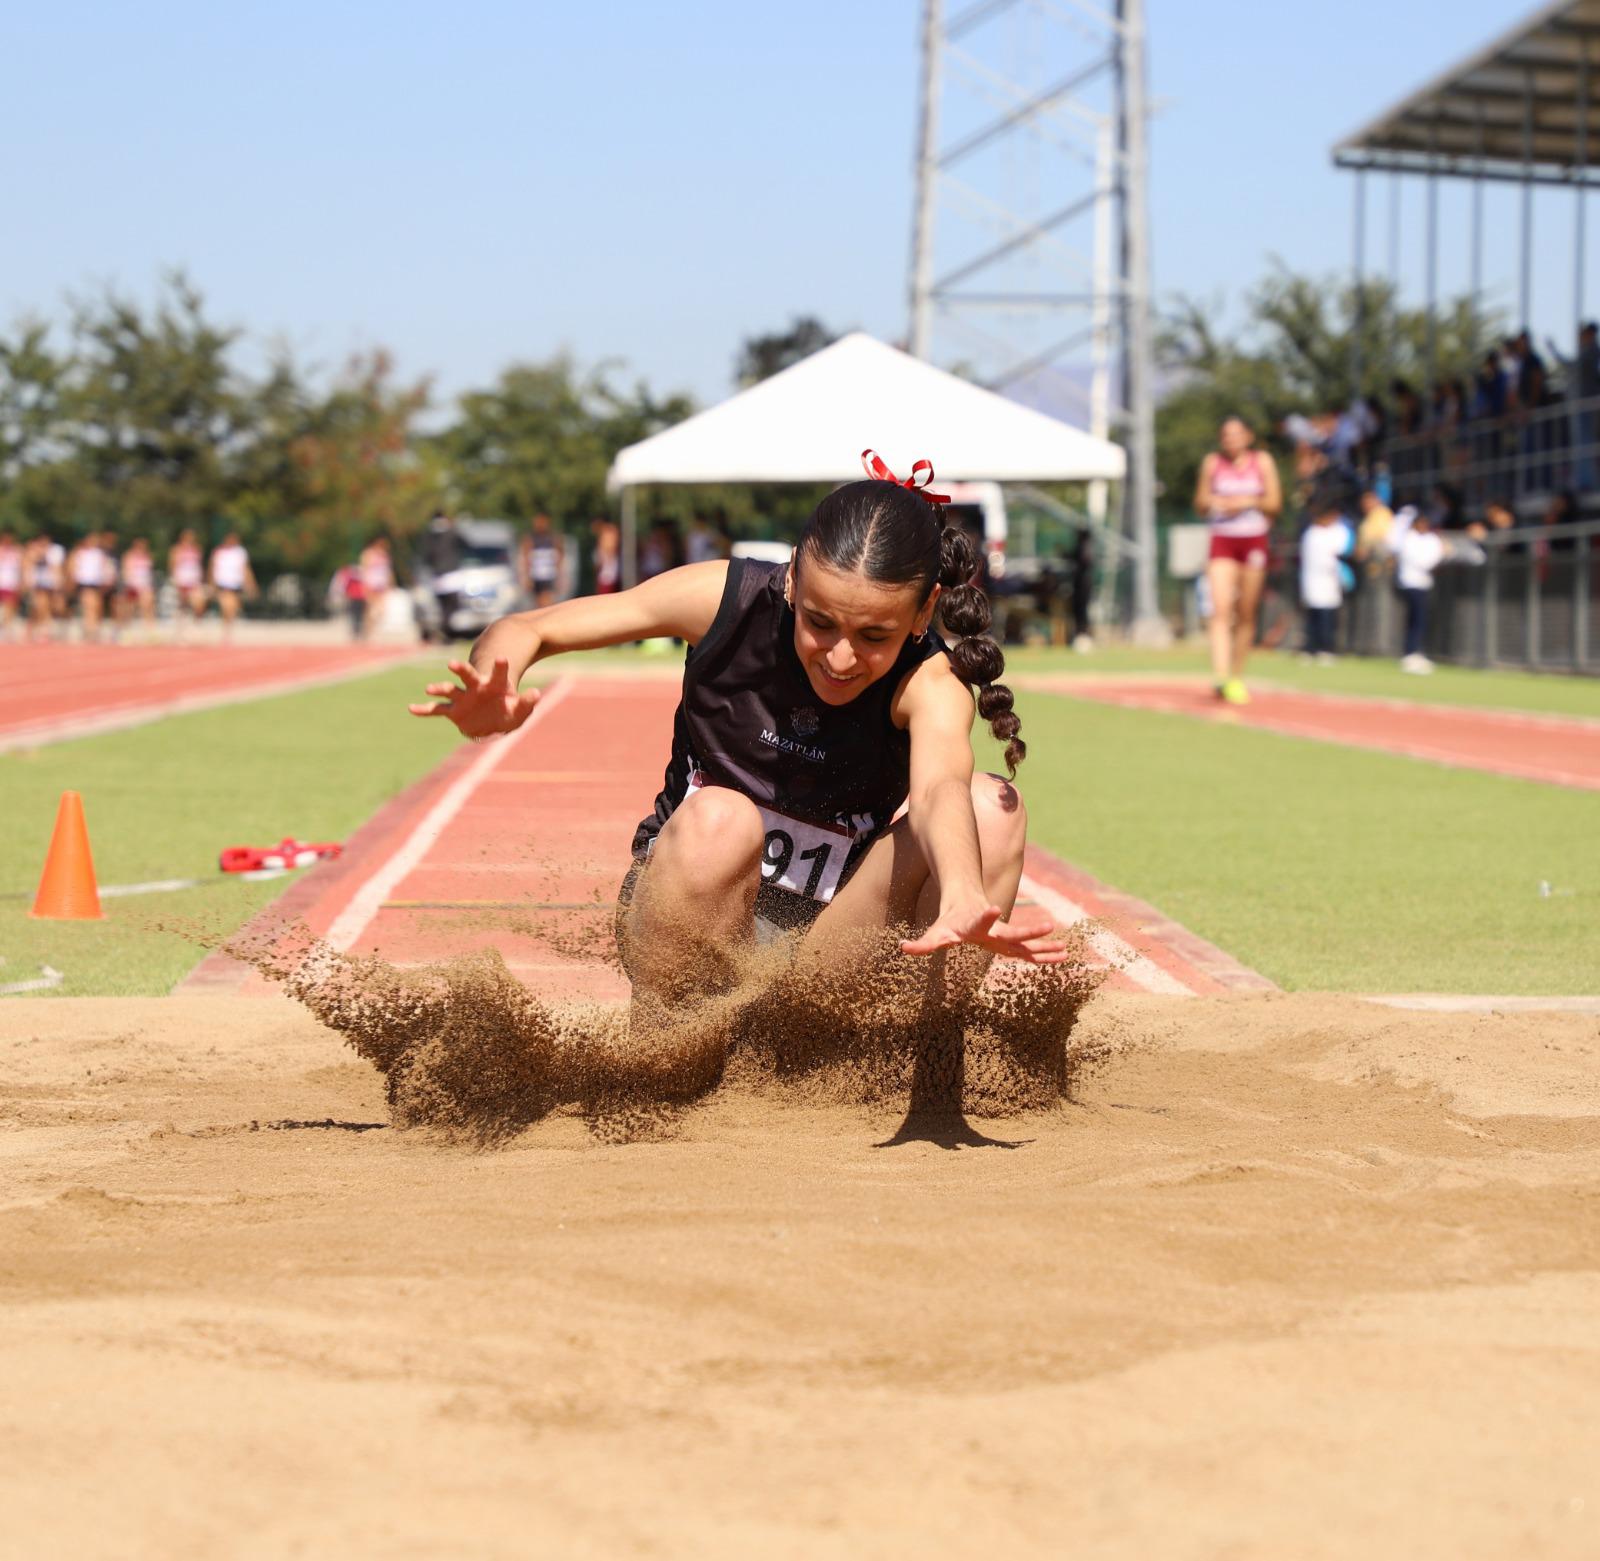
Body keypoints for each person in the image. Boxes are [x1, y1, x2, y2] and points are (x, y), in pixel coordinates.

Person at [410, 451, 1068, 1033]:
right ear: (790, 578)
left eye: (874, 637)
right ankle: (669, 1053)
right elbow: (530, 627)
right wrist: (494, 684)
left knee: (992, 809)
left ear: (922, 615)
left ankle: (909, 1068)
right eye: (819, 622)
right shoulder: (725, 599)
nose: (840, 656)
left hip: (830, 950)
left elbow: (938, 789)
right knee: (722, 818)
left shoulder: (931, 680)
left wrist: (960, 891)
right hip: (689, 915)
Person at [1194, 415, 1281, 705]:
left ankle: (1236, 675)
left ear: (1248, 436)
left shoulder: (1262, 461)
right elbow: (1200, 503)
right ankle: (1220, 674)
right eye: (1225, 434)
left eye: (1236, 434)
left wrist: (1248, 501)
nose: (1230, 439)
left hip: (1253, 540)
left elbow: (1274, 503)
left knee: (1245, 612)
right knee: (1220, 609)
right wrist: (1217, 502)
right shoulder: (1212, 463)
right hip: (1222, 540)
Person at [1299, 498, 1355, 664]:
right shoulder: (1312, 533)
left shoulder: (1338, 531)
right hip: (1313, 581)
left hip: (1330, 582)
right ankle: (1311, 648)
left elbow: (1343, 551)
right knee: (1313, 618)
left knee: (1328, 619)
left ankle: (1326, 648)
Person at [1388, 507, 1444, 673]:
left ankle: (1415, 651)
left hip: (1422, 583)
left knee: (1420, 620)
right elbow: (1425, 561)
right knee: (1416, 619)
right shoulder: (1409, 539)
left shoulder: (1427, 539)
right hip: (1412, 583)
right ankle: (1411, 652)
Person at [209, 531, 256, 640]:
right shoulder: (219, 552)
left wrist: (250, 584)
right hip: (223, 583)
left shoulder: (240, 552)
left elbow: (245, 568)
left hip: (236, 583)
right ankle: (226, 630)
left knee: (232, 608)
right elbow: (212, 567)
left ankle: (228, 629)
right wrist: (212, 583)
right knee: (226, 606)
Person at [68, 530, 112, 641]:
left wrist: (107, 579)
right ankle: (90, 630)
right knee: (89, 606)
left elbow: (105, 567)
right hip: (85, 582)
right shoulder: (80, 552)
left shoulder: (100, 553)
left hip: (97, 582)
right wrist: (73, 579)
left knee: (97, 607)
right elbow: (72, 566)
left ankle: (94, 628)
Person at [518, 514, 565, 608]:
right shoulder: (530, 539)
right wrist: (526, 577)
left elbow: (560, 558)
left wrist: (560, 577)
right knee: (538, 602)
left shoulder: (554, 538)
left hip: (549, 575)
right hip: (536, 575)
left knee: (547, 601)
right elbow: (526, 559)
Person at [169, 529, 207, 635]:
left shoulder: (197, 549)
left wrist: (202, 578)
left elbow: (199, 565)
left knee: (199, 601)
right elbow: (172, 565)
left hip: (194, 580)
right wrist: (174, 579)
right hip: (182, 580)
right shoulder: (177, 550)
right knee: (183, 604)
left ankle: (197, 624)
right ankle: (181, 627)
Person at [116, 537, 156, 636]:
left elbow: (149, 573)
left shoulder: (147, 556)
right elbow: (126, 571)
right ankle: (125, 631)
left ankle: (150, 631)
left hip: (145, 586)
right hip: (132, 586)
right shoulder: (129, 556)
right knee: (128, 609)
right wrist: (128, 585)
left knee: (148, 606)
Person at [359, 536, 393, 637]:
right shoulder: (368, 554)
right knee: (370, 608)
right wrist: (364, 584)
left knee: (381, 609)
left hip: (381, 584)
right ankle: (367, 630)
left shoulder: (385, 556)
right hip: (371, 583)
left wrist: (390, 583)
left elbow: (388, 571)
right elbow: (364, 569)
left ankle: (371, 627)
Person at [0, 530, 22, 640]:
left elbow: (21, 567)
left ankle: (5, 628)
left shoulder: (16, 552)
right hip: (1, 582)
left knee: (9, 607)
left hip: (10, 583)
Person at [591, 516, 621, 594]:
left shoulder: (608, 532)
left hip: (608, 574)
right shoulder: (607, 533)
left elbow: (610, 548)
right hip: (607, 573)